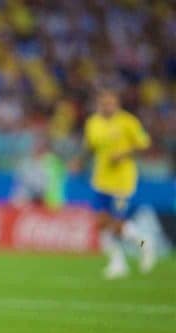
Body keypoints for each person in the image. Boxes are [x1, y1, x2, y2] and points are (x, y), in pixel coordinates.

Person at [73, 89, 157, 279]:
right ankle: (118, 264)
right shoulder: (93, 123)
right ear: (98, 104)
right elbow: (90, 146)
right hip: (101, 180)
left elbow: (144, 143)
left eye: (110, 103)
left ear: (117, 104)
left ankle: (144, 243)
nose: (107, 106)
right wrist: (79, 161)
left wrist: (124, 154)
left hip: (122, 182)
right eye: (103, 103)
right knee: (102, 223)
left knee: (118, 224)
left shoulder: (128, 121)